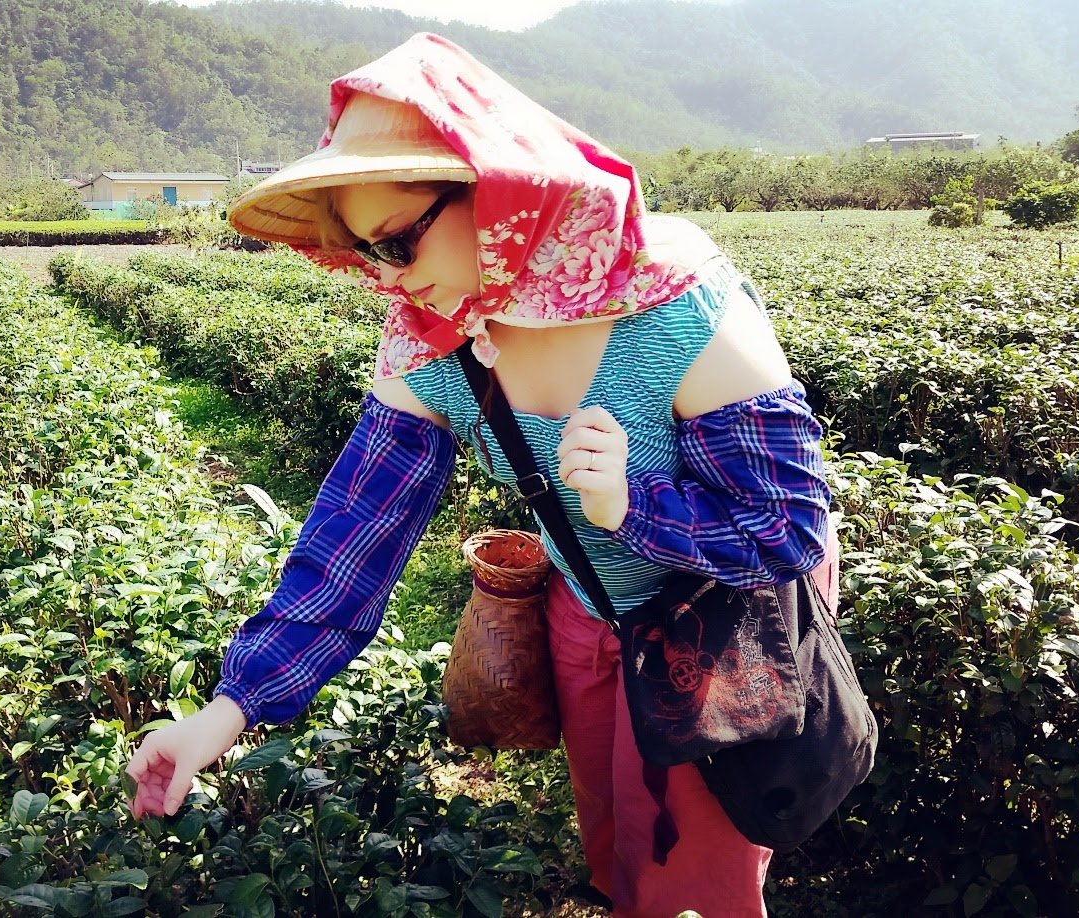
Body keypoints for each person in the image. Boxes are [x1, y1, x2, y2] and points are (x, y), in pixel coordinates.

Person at [125, 32, 833, 918]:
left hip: (719, 621)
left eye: (397, 243)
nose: (388, 281)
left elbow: (786, 527)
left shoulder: (670, 300)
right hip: (592, 609)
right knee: (614, 832)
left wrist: (628, 508)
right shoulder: (428, 343)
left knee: (696, 866)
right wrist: (221, 718)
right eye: (364, 255)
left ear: (494, 197)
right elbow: (351, 545)